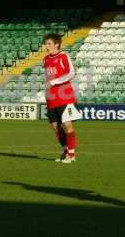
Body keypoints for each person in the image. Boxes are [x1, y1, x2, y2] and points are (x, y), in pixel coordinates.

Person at [43, 33, 82, 163]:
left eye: (49, 44)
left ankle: (71, 155)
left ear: (57, 44)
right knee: (55, 126)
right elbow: (48, 77)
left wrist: (54, 83)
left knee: (67, 125)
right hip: (51, 97)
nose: (46, 46)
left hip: (64, 96)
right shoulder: (45, 59)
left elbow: (71, 73)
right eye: (46, 43)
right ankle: (66, 151)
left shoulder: (63, 56)